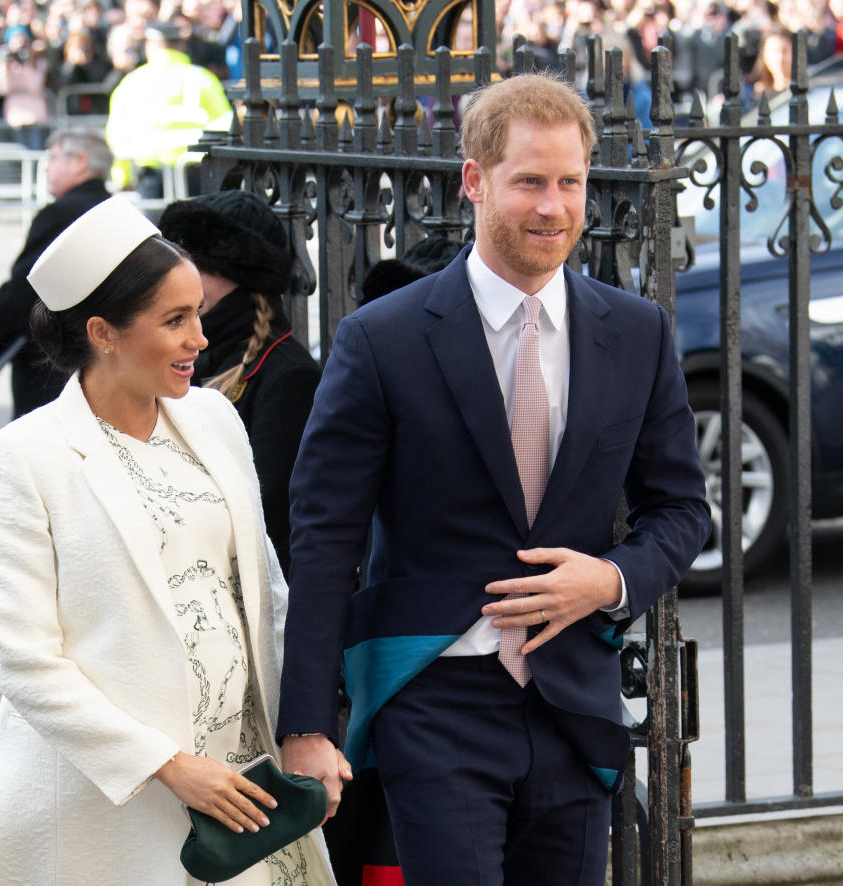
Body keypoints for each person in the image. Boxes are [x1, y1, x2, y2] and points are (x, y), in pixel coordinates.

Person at [276, 72, 710, 885]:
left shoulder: (638, 334)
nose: (554, 208)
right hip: (433, 698)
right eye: (530, 183)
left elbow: (682, 508)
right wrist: (305, 723)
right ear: (475, 181)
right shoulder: (382, 339)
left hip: (574, 701)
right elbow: (325, 537)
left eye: (571, 183)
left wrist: (611, 579)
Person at [0, 193, 338, 885]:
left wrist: (306, 731)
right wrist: (171, 768)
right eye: (175, 319)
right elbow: (26, 663)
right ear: (103, 332)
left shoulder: (214, 419)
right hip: (107, 810)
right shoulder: (22, 457)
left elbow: (266, 596)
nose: (199, 335)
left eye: (197, 312)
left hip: (244, 796)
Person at [157, 189, 321, 575]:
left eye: (195, 264)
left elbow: (264, 513)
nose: (178, 278)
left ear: (237, 275)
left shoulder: (287, 375)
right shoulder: (187, 355)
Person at [0, 127, 110, 418]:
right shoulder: (118, 212)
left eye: (54, 157)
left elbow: (23, 293)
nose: (47, 166)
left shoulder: (60, 215)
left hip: (53, 370)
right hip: (106, 365)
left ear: (79, 161)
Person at [104, 19, 232, 198]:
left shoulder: (132, 83)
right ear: (180, 45)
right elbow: (225, 124)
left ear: (150, 46)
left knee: (151, 226)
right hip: (196, 177)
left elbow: (118, 136)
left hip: (150, 178)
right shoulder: (202, 79)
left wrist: (122, 177)